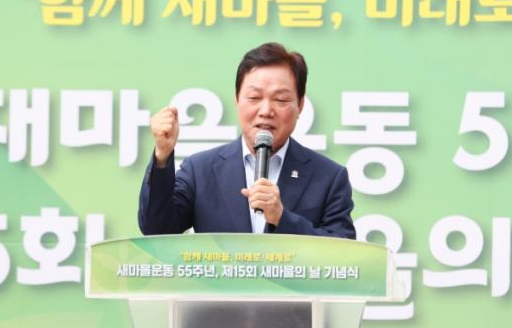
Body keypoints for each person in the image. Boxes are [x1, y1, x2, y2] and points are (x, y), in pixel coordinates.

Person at [138, 42, 355, 238]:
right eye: (254, 98)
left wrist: (282, 218)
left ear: (300, 105)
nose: (266, 110)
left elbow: (344, 253)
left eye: (280, 99)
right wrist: (162, 156)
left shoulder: (329, 177)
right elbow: (157, 230)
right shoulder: (200, 170)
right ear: (237, 100)